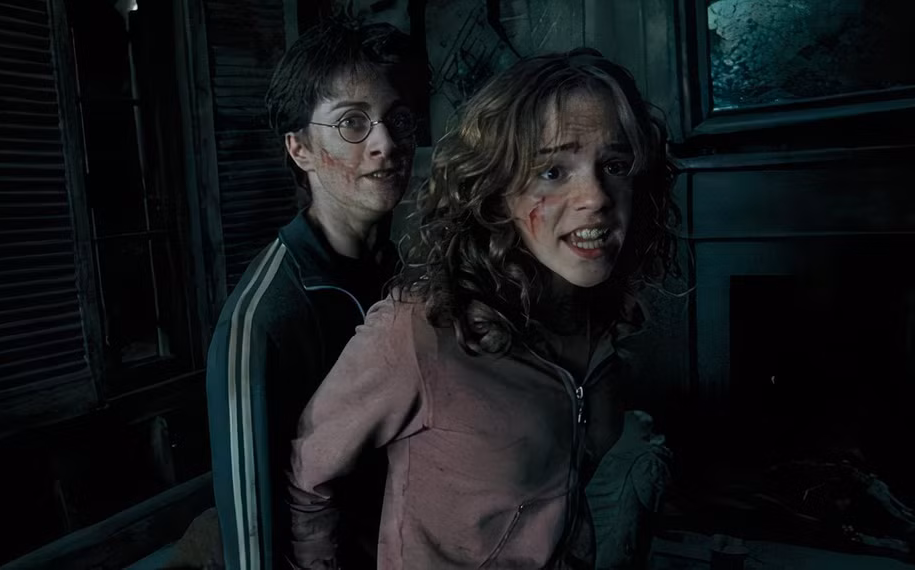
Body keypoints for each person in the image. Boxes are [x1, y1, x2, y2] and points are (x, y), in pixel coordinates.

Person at [286, 48, 679, 568]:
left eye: (615, 165)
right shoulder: (420, 329)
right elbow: (310, 477)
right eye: (553, 171)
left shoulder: (601, 323)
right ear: (497, 192)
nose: (596, 197)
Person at [204, 17, 427, 570]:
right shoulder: (261, 320)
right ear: (300, 148)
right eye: (352, 122)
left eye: (398, 118)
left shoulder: (405, 275)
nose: (385, 143)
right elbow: (251, 539)